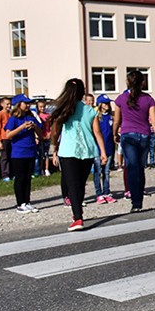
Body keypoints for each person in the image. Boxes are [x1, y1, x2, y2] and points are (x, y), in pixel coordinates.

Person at [50, 78, 108, 230]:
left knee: (72, 185)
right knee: (80, 184)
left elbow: (55, 131)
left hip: (68, 151)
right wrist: (103, 151)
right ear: (82, 92)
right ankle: (78, 213)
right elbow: (97, 132)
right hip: (87, 151)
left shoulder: (63, 109)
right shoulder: (90, 110)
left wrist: (54, 148)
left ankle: (78, 218)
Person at [114, 70, 155, 212]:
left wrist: (114, 134)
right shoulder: (149, 99)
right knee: (140, 168)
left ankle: (135, 202)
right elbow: (154, 121)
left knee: (131, 168)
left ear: (127, 82)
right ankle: (139, 200)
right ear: (143, 82)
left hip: (128, 135)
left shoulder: (120, 99)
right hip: (144, 136)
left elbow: (117, 120)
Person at [5, 93, 41, 213]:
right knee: (20, 178)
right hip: (18, 153)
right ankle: (20, 203)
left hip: (30, 151)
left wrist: (35, 127)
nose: (28, 105)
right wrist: (21, 127)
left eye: (28, 103)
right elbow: (8, 135)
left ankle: (27, 201)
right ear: (18, 105)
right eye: (25, 103)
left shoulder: (31, 117)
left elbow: (42, 135)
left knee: (28, 178)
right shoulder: (13, 119)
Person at [92, 95, 116, 204]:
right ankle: (99, 193)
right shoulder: (96, 117)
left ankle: (107, 192)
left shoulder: (111, 117)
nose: (107, 105)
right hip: (98, 148)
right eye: (105, 103)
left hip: (109, 147)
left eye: (108, 103)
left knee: (106, 172)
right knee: (98, 172)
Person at [0, 97, 12, 181]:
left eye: (10, 104)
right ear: (2, 104)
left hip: (12, 137)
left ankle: (12, 173)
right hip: (4, 138)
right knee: (4, 157)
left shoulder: (11, 114)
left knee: (12, 156)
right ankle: (5, 174)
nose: (9, 106)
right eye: (7, 104)